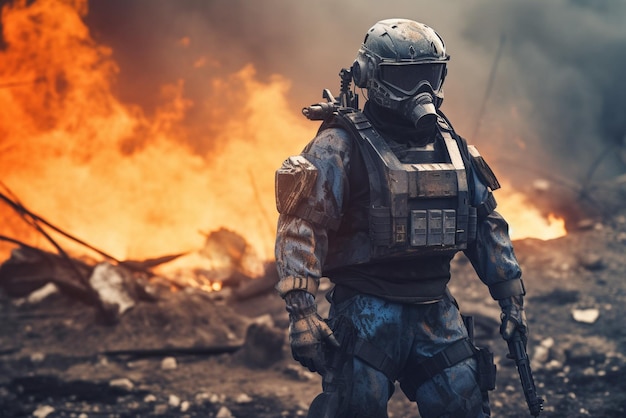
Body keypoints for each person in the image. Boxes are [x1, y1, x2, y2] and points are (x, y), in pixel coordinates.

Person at [274, 18, 529, 418]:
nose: (422, 91)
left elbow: (485, 221)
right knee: (356, 407)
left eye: (430, 75)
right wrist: (302, 313)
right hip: (366, 312)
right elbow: (301, 226)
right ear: (369, 76)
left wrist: (511, 298)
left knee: (462, 403)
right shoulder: (339, 145)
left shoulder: (451, 145)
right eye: (407, 78)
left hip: (435, 310)